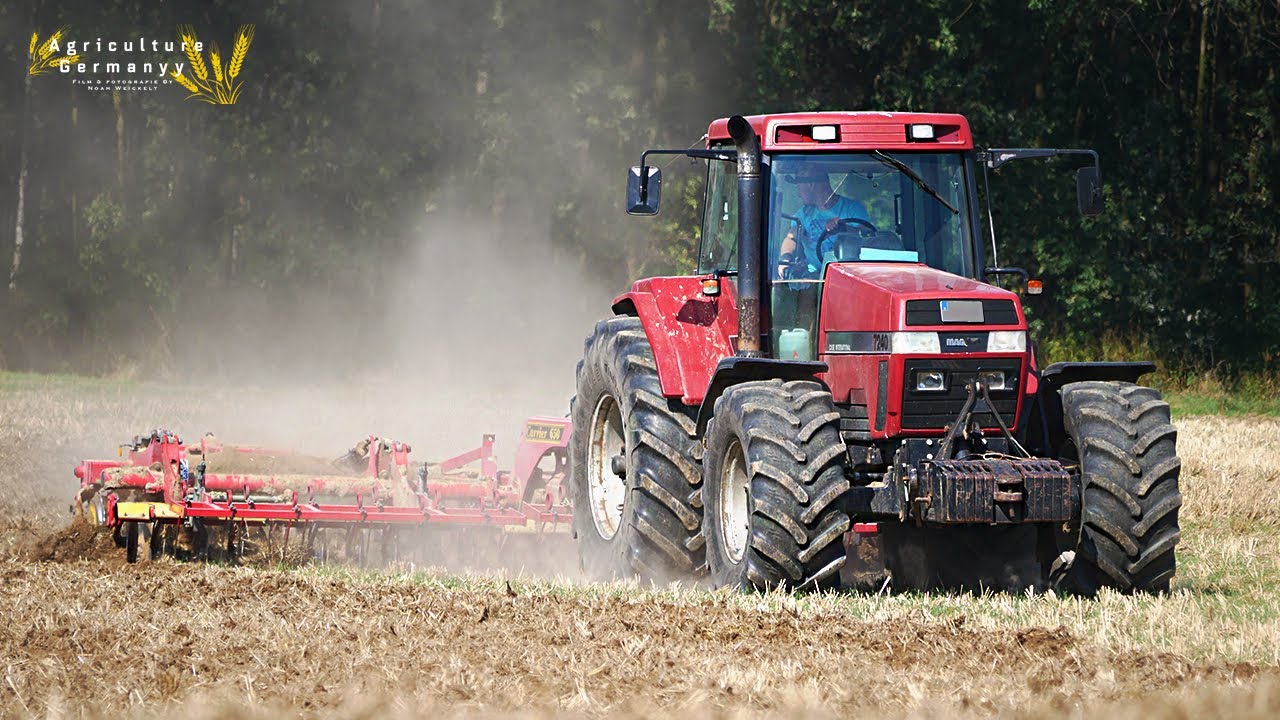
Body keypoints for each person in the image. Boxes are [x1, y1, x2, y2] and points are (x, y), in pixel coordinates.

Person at [775, 173, 871, 281]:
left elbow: (869, 237)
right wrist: (785, 258)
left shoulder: (852, 208)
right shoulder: (802, 214)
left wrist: (843, 228)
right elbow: (792, 238)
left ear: (811, 185)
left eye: (798, 187)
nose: (798, 194)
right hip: (815, 277)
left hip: (850, 274)